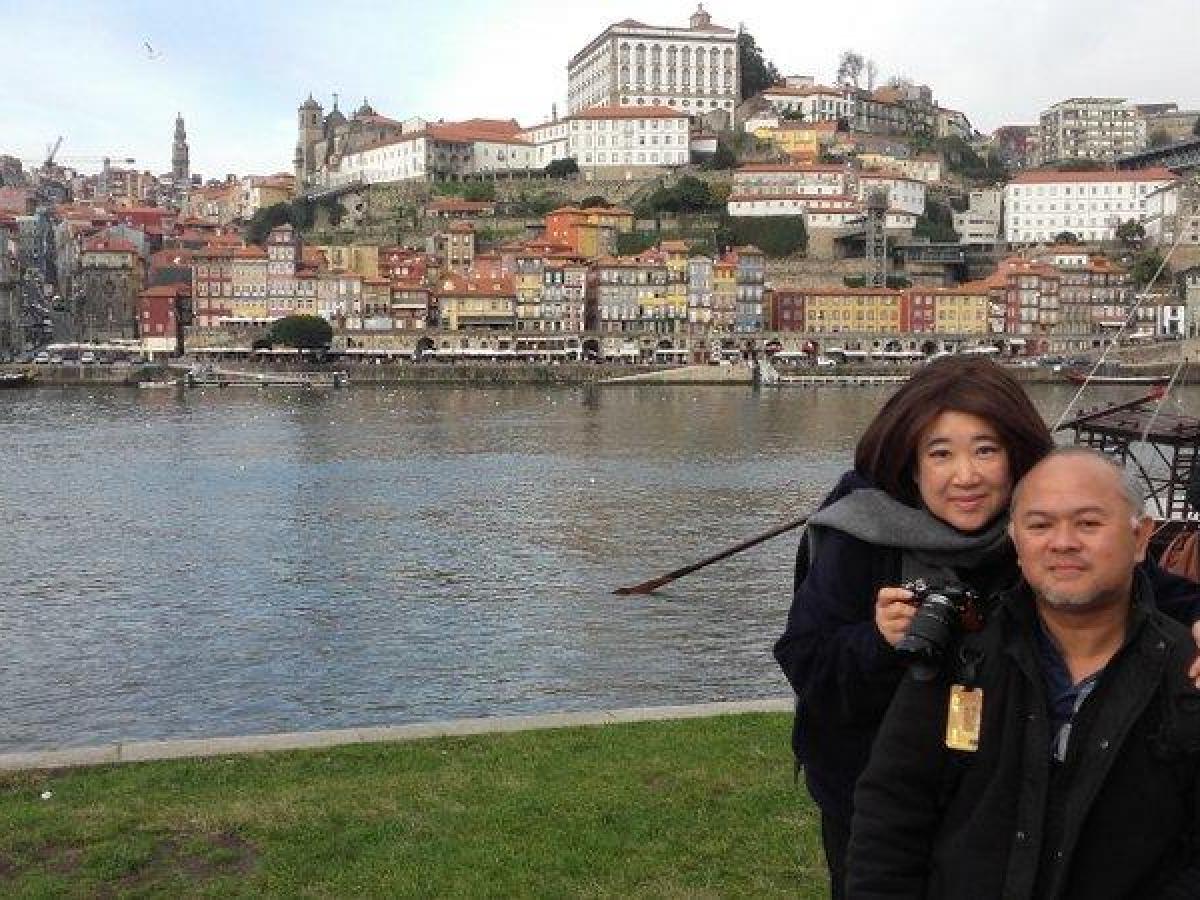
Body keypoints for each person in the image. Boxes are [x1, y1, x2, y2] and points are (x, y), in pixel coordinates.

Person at [771, 356, 1200, 899]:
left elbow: (1136, 583)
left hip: (1000, 784)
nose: (965, 476)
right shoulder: (862, 532)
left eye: (986, 450)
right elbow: (806, 659)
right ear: (912, 463)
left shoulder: (1038, 530)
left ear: (1015, 457)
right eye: (941, 453)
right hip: (866, 776)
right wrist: (879, 642)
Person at [846, 448, 1200, 898]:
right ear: (1017, 545)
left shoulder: (1187, 674)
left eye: (1089, 523)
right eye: (1039, 525)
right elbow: (891, 815)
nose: (1063, 542)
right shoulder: (963, 660)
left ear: (1140, 537)